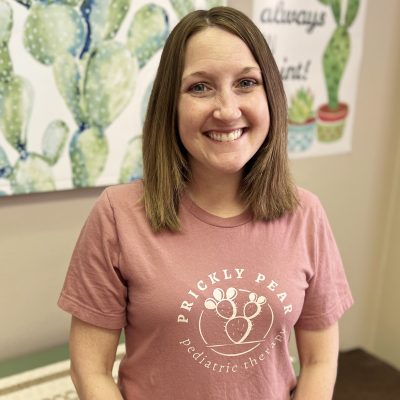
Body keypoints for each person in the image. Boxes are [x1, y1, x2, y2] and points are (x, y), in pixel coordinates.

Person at [58, 6, 353, 400]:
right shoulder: (117, 214)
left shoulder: (306, 214)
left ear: (271, 97)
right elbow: (90, 369)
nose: (227, 110)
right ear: (171, 105)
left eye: (246, 82)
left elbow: (319, 360)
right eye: (200, 87)